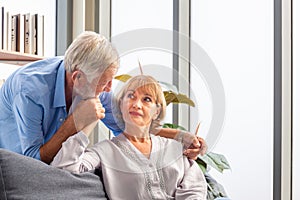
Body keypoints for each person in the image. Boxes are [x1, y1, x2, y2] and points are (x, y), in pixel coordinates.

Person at [0, 31, 206, 164]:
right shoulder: (30, 90)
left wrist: (181, 137)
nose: (108, 89)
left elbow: (129, 129)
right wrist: (74, 123)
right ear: (77, 77)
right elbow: (33, 161)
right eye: (103, 82)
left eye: (110, 80)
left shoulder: (96, 84)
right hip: (13, 164)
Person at [51, 75, 207, 199]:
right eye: (131, 96)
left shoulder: (175, 149)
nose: (136, 104)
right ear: (120, 106)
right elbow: (64, 170)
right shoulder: (104, 151)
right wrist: (89, 121)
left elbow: (195, 188)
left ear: (156, 111)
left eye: (147, 99)